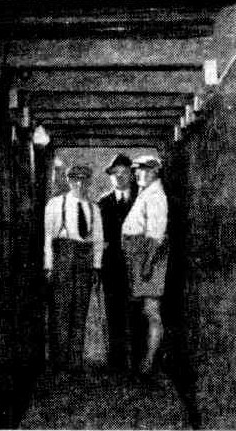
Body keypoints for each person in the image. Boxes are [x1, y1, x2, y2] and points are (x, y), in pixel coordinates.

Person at [44, 164, 103, 371]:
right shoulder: (56, 204)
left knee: (80, 310)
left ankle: (75, 362)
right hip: (63, 257)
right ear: (69, 181)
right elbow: (48, 238)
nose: (79, 184)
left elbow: (98, 240)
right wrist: (49, 266)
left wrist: (96, 267)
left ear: (88, 182)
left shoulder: (94, 208)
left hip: (85, 261)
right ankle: (58, 363)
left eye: (84, 180)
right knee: (61, 310)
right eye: (75, 180)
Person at [122, 155, 169, 376]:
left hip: (148, 257)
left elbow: (156, 236)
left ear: (154, 172)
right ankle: (145, 361)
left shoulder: (156, 196)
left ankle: (149, 362)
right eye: (137, 170)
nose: (138, 174)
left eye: (142, 170)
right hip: (140, 256)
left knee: (151, 311)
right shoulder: (146, 193)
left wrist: (148, 264)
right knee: (146, 310)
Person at [97, 153, 138, 370]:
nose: (119, 177)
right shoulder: (103, 203)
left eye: (124, 173)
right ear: (110, 177)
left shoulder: (141, 201)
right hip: (111, 267)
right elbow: (98, 237)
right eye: (115, 174)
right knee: (113, 311)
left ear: (132, 176)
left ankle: (137, 360)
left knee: (136, 311)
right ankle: (116, 361)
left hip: (137, 266)